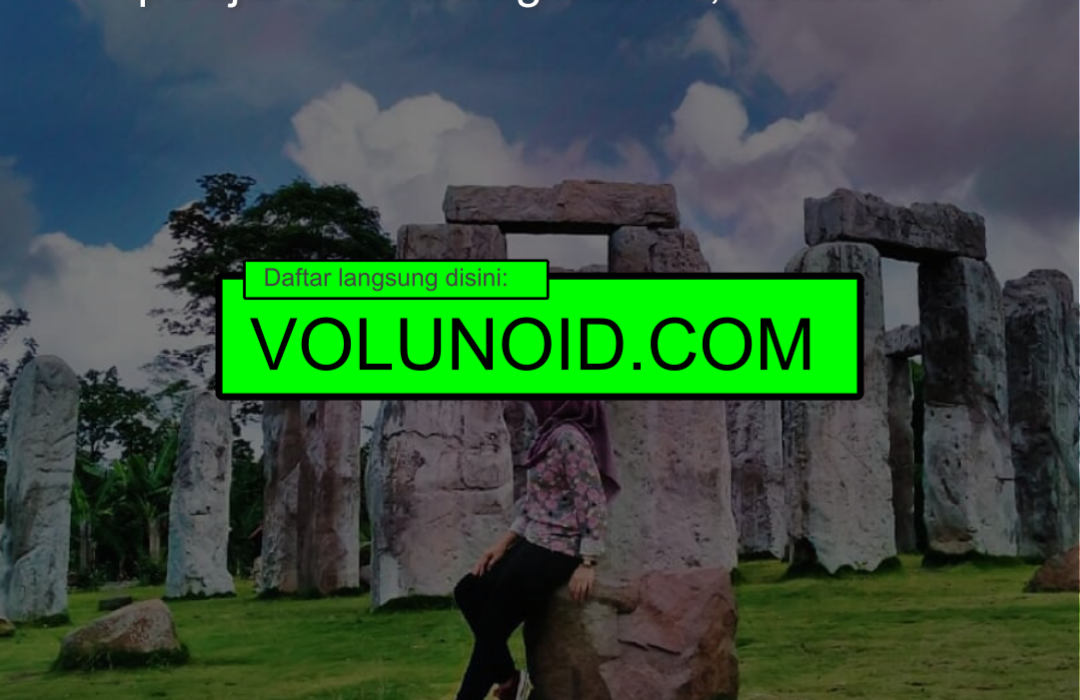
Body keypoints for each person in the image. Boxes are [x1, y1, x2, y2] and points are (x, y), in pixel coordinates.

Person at [452, 399, 620, 700]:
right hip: (534, 540)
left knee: (492, 624)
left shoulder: (570, 438)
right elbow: (533, 504)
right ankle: (509, 678)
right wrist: (502, 544)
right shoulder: (547, 434)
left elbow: (592, 501)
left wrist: (588, 562)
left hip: (560, 548)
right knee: (468, 591)